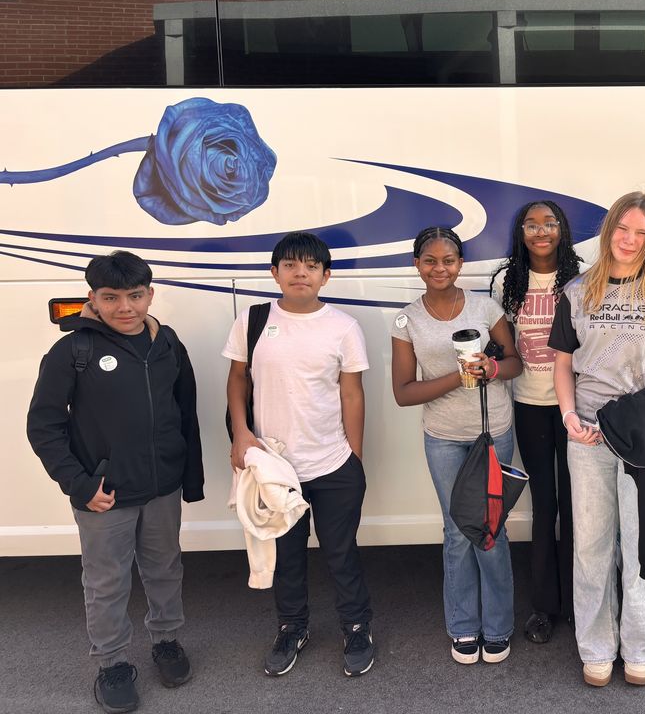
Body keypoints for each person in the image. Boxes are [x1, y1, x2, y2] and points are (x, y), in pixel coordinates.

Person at [27, 251, 203, 714]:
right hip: (104, 494)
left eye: (135, 296)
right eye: (111, 298)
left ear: (150, 294)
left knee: (165, 569)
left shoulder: (167, 343)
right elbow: (44, 426)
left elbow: (185, 413)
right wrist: (80, 485)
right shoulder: (73, 351)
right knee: (106, 581)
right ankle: (112, 663)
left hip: (161, 488)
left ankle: (166, 640)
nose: (125, 307)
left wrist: (189, 479)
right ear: (93, 298)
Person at [548, 192, 645, 688]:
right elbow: (563, 363)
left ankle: (639, 648)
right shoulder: (577, 291)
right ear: (609, 228)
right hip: (587, 436)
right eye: (623, 229)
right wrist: (568, 414)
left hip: (644, 440)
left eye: (641, 233)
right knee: (590, 548)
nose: (630, 240)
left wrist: (637, 414)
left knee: (644, 547)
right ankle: (595, 649)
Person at [224, 232, 374, 678]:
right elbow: (237, 379)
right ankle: (292, 628)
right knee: (287, 556)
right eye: (290, 265)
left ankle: (357, 627)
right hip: (275, 467)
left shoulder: (343, 327)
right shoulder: (253, 320)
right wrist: (241, 435)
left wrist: (354, 458)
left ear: (326, 276)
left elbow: (352, 394)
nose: (300, 273)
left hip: (333, 462)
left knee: (341, 553)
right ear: (275, 273)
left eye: (311, 266)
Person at [390, 226, 523, 665]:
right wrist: (458, 376)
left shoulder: (486, 307)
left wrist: (491, 369)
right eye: (430, 260)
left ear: (460, 264)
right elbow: (403, 393)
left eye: (448, 260)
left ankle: (498, 626)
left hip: (493, 431)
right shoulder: (407, 319)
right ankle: (463, 625)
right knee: (456, 531)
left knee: (491, 528)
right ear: (417, 264)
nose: (439, 268)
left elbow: (515, 363)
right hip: (443, 438)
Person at [490, 200, 583, 644]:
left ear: (562, 229)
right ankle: (545, 606)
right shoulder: (505, 281)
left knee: (579, 505)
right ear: (520, 232)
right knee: (544, 505)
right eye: (531, 225)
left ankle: (581, 602)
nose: (541, 231)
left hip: (576, 407)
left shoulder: (582, 279)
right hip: (528, 405)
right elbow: (501, 345)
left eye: (549, 224)